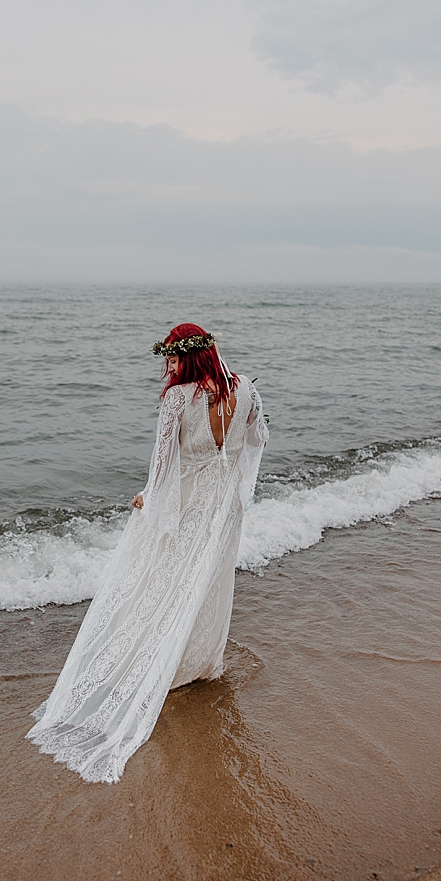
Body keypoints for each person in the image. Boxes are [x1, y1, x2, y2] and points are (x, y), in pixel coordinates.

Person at [27, 324, 268, 783]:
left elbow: (161, 466)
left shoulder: (179, 398)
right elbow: (257, 443)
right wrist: (226, 460)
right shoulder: (248, 392)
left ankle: (168, 666)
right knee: (210, 581)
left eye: (173, 360)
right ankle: (202, 663)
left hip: (190, 502)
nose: (169, 368)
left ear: (189, 359)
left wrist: (147, 498)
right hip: (225, 506)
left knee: (163, 575)